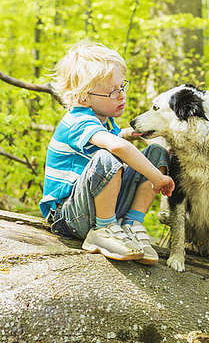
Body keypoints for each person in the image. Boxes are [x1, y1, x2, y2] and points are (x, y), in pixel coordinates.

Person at [39, 40, 174, 265]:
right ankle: (102, 231)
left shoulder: (105, 122)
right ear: (83, 98)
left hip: (98, 207)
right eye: (112, 92)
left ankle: (131, 224)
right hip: (69, 215)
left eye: (122, 87)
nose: (122, 96)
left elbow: (114, 139)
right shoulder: (77, 120)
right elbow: (115, 147)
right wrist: (157, 178)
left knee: (157, 152)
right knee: (108, 157)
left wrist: (128, 133)